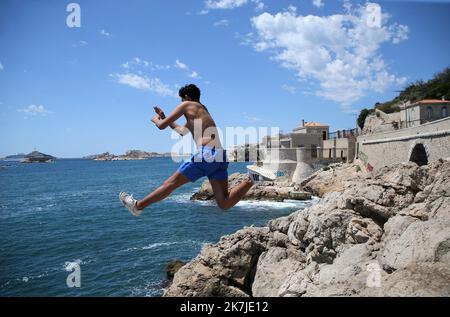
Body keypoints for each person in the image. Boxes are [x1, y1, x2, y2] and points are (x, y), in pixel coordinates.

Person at [119, 84, 263, 216]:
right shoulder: (202, 110)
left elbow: (161, 126)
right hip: (220, 156)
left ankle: (137, 206)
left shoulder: (187, 104)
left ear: (186, 97)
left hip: (206, 155)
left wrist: (156, 120)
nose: (181, 102)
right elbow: (181, 131)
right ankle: (251, 179)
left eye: (181, 99)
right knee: (224, 203)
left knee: (169, 184)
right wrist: (164, 117)